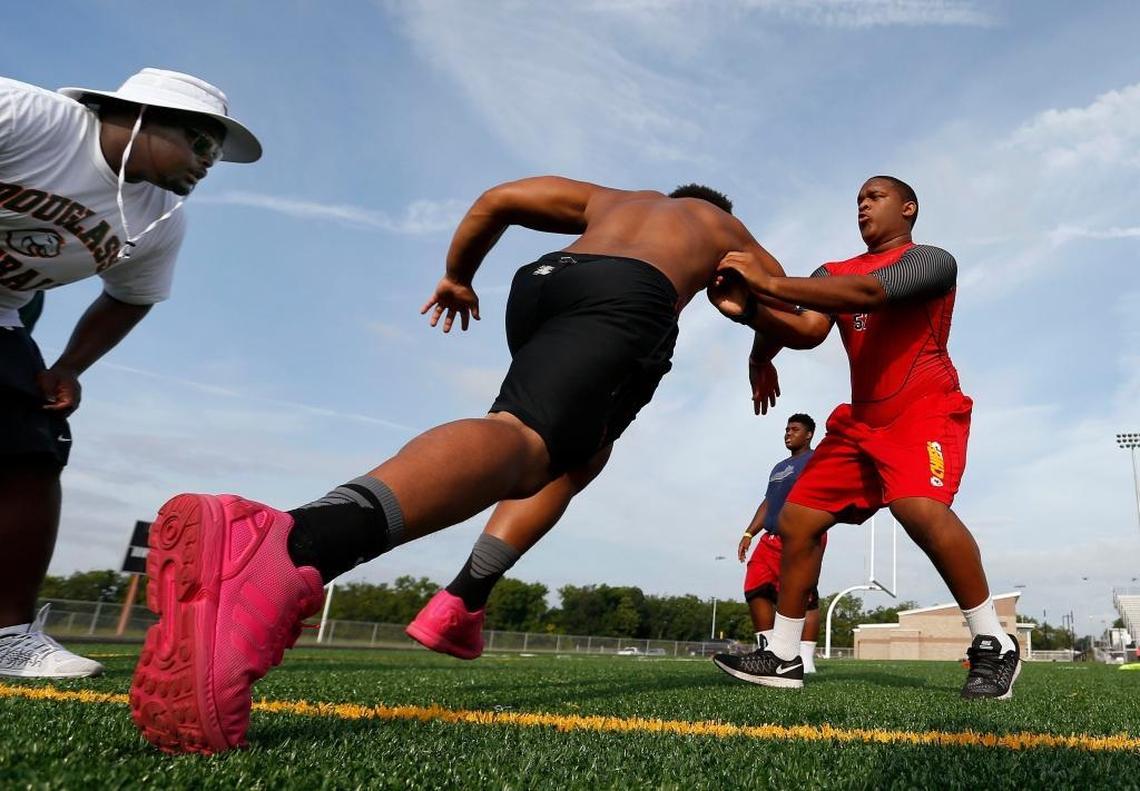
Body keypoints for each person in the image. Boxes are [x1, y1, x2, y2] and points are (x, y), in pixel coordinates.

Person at [128, 175, 809, 754]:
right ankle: (294, 541)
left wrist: (458, 274)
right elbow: (804, 321)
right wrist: (751, 314)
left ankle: (462, 599)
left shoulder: (615, 200)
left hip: (544, 282)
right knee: (527, 439)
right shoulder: (724, 227)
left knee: (569, 454)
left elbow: (499, 199)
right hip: (628, 299)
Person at [708, 176, 1020, 699]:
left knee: (918, 508)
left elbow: (871, 294)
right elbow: (807, 329)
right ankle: (784, 656)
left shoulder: (932, 261)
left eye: (874, 198)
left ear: (908, 208)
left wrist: (766, 284)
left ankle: (994, 641)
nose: (863, 206)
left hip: (923, 409)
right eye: (857, 200)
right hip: (861, 421)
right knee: (798, 519)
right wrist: (756, 331)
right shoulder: (834, 272)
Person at [0, 69, 261, 679]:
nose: (206, 163)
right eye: (200, 144)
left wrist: (68, 365)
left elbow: (132, 295)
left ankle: (7, 635)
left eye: (215, 156)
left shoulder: (160, 219)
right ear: (142, 114)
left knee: (31, 450)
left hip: (4, 309)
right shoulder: (28, 116)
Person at [729, 413, 823, 676]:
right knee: (755, 587)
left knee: (805, 597)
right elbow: (769, 502)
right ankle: (769, 652)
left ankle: (804, 658)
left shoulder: (816, 460)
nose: (788, 433)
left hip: (802, 533)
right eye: (786, 429)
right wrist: (749, 533)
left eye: (794, 429)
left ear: (809, 434)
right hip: (770, 537)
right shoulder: (779, 467)